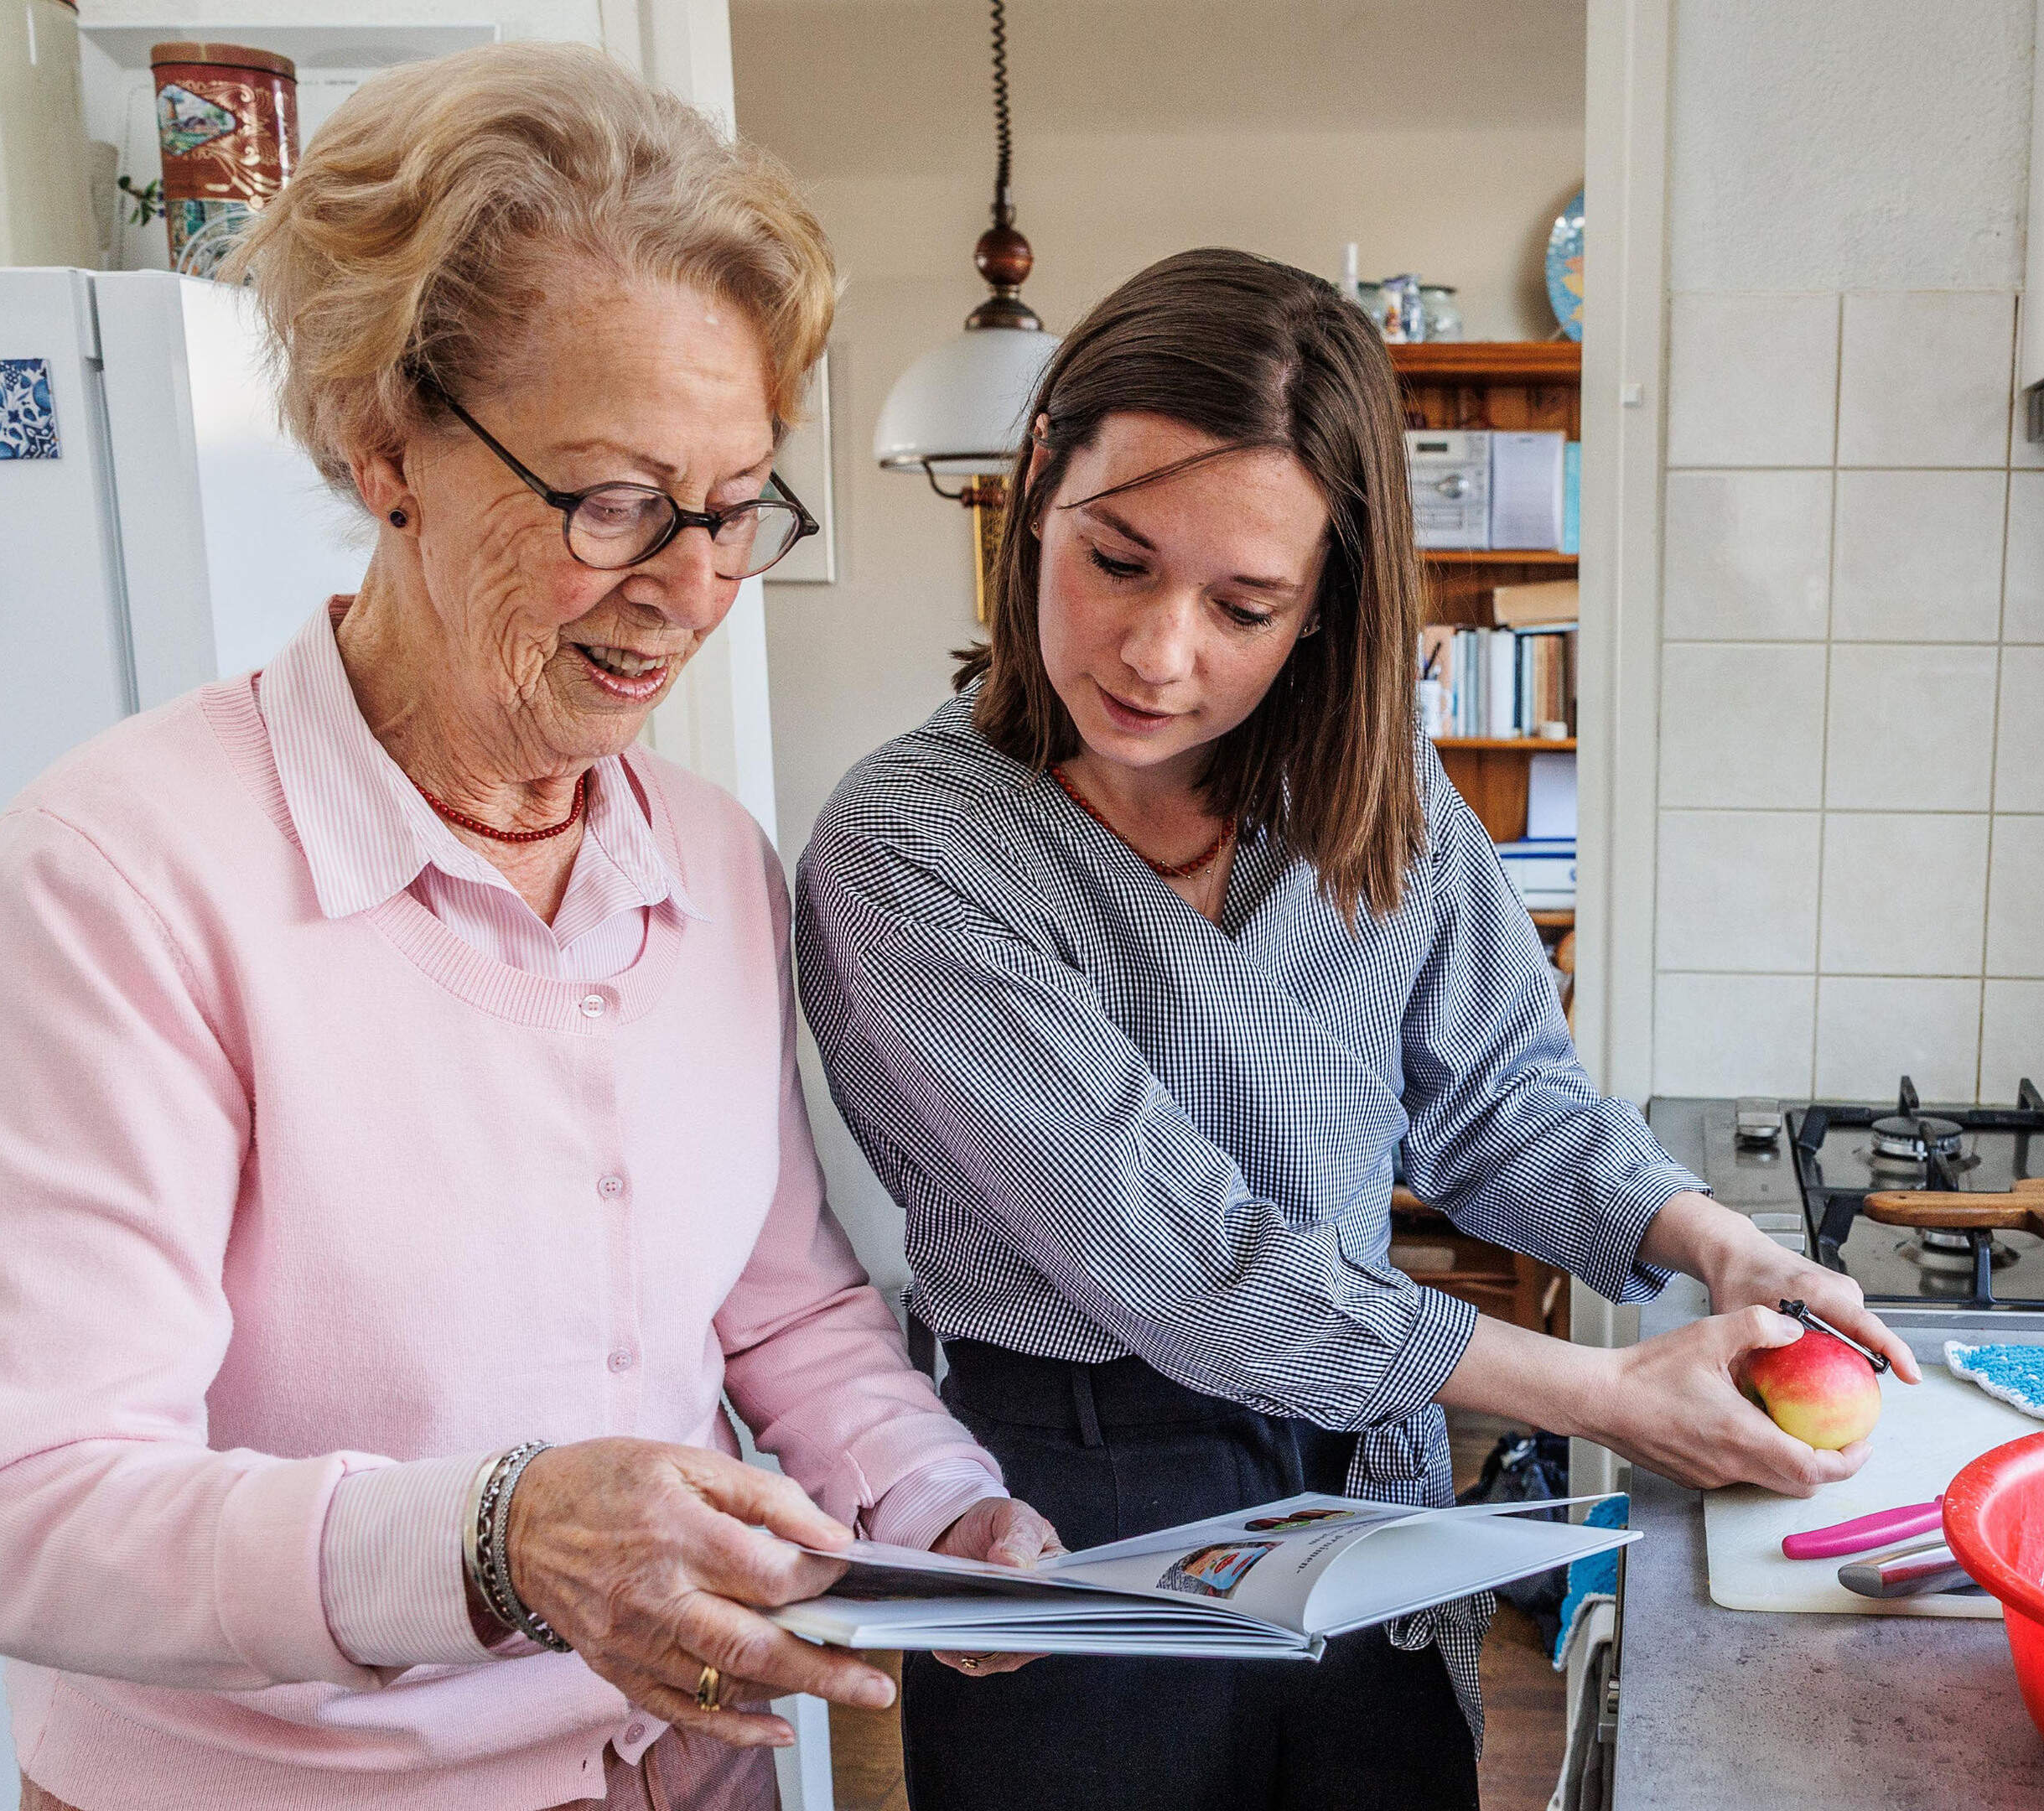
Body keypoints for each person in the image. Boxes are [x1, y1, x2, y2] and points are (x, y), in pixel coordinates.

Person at [0, 44, 1054, 1811]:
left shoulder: (707, 859)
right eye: (614, 500)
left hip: (688, 1768)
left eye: (737, 505)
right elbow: (27, 1515)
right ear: (389, 448)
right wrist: (502, 1538)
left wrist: (936, 1500)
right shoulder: (125, 867)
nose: (689, 590)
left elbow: (784, 1313)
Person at [795, 247, 1921, 1811]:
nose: (1160, 651)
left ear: (1326, 606)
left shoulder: (1372, 783)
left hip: (1378, 1481)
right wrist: (1605, 1396)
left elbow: (1503, 1102)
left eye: (1245, 604)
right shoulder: (913, 854)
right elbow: (1192, 1265)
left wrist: (1713, 1240)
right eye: (1117, 561)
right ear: (1037, 477)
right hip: (1076, 1505)